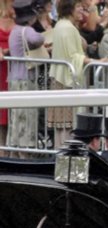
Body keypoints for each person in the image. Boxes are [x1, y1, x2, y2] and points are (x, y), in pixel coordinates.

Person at [48, 0, 108, 149]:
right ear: (69, 9)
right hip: (67, 81)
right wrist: (97, 61)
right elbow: (73, 57)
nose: (81, 10)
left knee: (63, 126)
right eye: (77, 7)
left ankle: (63, 154)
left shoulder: (61, 25)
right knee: (68, 125)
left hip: (60, 78)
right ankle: (68, 155)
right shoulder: (67, 28)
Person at [7, 0, 46, 159]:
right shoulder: (26, 30)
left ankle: (15, 152)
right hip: (25, 78)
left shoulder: (13, 30)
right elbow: (39, 39)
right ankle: (25, 154)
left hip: (13, 78)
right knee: (26, 118)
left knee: (16, 119)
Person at [0, 0, 15, 156]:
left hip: (14, 71)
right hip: (1, 71)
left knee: (12, 118)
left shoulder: (20, 19)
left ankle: (8, 155)